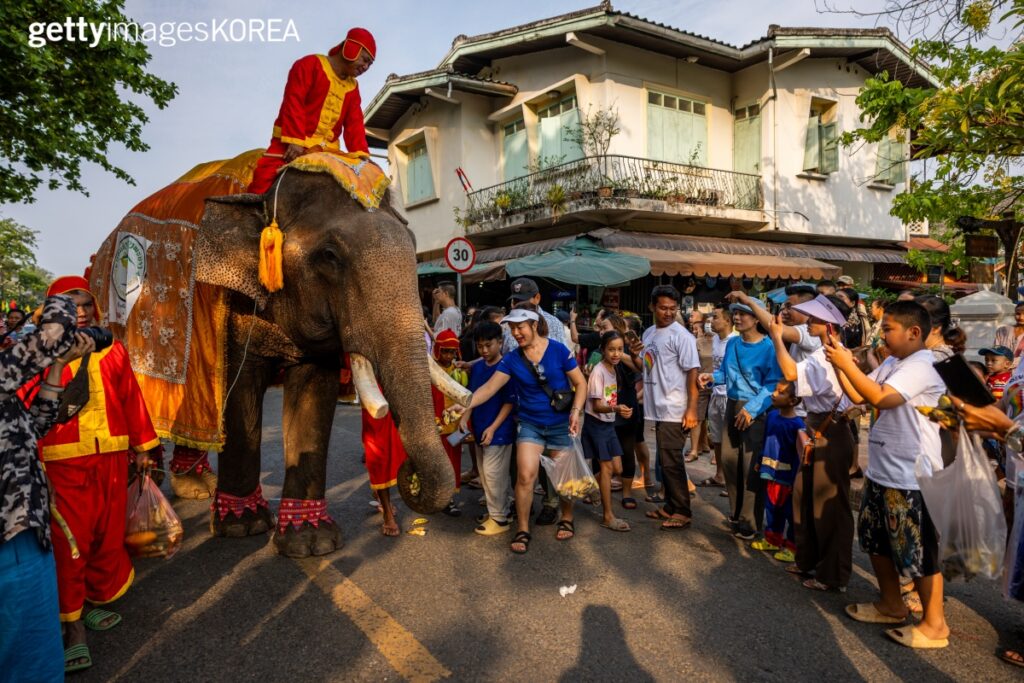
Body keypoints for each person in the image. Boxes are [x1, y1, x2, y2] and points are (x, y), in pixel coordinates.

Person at [27, 276, 162, 671]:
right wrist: (34, 464)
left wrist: (142, 448)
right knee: (71, 541)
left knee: (106, 534)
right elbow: (24, 412)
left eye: (87, 304)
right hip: (61, 462)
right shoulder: (37, 353)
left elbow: (131, 398)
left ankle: (92, 601)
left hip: (112, 457)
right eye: (72, 305)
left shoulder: (112, 349)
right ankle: (72, 627)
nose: (82, 312)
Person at [824, 300, 950, 650]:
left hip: (911, 475)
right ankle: (891, 604)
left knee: (919, 552)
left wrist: (847, 363)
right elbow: (857, 394)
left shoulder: (923, 364)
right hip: (884, 470)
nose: (882, 335)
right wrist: (840, 364)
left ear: (914, 332)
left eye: (889, 328)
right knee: (876, 541)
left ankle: (935, 624)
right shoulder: (896, 361)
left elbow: (880, 398)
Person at [1, 296, 91, 680]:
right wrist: (60, 302)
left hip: (25, 531)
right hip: (10, 539)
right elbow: (52, 334)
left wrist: (57, 368)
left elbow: (32, 428)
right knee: (28, 664)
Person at [454, 308, 587, 554]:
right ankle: (523, 529)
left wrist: (576, 412)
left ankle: (567, 517)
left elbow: (580, 383)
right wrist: (463, 403)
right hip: (530, 425)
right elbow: (489, 388)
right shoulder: (512, 359)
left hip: (560, 424)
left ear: (534, 325)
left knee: (564, 478)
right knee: (525, 476)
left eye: (520, 328)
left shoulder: (558, 350)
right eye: (512, 329)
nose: (516, 333)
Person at [768, 294, 857, 592]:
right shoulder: (824, 352)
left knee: (829, 504)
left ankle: (832, 574)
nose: (812, 322)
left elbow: (791, 373)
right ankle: (808, 559)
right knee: (805, 496)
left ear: (830, 324)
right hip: (818, 427)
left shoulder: (830, 354)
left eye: (817, 319)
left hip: (831, 429)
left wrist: (777, 338)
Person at [248, 27, 376, 194]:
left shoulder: (353, 87)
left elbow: (355, 124)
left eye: (369, 64)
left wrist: (361, 156)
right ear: (351, 48)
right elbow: (294, 100)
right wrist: (295, 140)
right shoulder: (309, 64)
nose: (366, 67)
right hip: (290, 144)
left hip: (327, 150)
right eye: (364, 60)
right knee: (262, 183)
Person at [701, 298, 782, 540]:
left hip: (755, 410)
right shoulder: (733, 343)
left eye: (743, 314)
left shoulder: (769, 348)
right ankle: (736, 514)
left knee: (750, 467)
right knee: (728, 461)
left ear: (757, 318)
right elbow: (725, 373)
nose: (737, 317)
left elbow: (772, 384)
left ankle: (750, 521)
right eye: (735, 313)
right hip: (732, 405)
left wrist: (753, 409)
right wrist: (710, 377)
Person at [630, 285, 700, 531]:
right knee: (665, 459)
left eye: (673, 308)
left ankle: (682, 510)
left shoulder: (682, 336)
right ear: (652, 307)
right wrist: (635, 354)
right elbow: (646, 367)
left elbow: (693, 372)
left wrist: (691, 409)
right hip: (656, 406)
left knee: (671, 462)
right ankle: (670, 506)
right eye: (663, 308)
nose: (668, 313)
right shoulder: (649, 333)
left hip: (675, 407)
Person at [467, 321, 517, 536]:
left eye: (489, 345)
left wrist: (494, 427)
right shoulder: (477, 367)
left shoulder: (506, 367)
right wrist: (464, 420)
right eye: (480, 347)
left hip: (499, 431)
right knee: (487, 475)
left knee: (493, 474)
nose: (485, 350)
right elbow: (471, 397)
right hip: (480, 428)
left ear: (500, 342)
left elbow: (509, 402)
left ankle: (499, 518)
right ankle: (498, 511)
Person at [582, 331, 632, 532]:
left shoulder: (614, 369)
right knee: (607, 469)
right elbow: (596, 406)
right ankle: (607, 516)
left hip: (608, 423)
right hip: (597, 423)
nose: (616, 353)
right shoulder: (599, 372)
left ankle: (588, 488)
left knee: (618, 469)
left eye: (620, 349)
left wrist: (618, 410)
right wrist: (617, 408)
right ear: (602, 349)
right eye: (611, 349)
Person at [751, 382, 804, 563]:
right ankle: (773, 540)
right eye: (775, 390)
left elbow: (798, 454)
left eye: (780, 392)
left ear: (793, 400)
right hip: (770, 472)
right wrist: (760, 461)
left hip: (787, 477)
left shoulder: (797, 425)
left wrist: (796, 478)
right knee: (772, 507)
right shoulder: (772, 416)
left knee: (789, 511)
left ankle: (792, 547)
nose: (774, 394)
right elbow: (765, 440)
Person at [697, 303, 736, 489]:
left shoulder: (735, 340)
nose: (711, 321)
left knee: (730, 441)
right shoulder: (715, 340)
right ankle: (719, 475)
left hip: (730, 396)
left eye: (716, 317)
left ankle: (732, 481)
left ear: (728, 320)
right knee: (718, 439)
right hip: (716, 393)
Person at [431, 329, 469, 516]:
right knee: (437, 462)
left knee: (453, 461)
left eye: (452, 352)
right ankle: (436, 495)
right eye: (445, 351)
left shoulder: (458, 371)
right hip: (436, 426)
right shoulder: (430, 370)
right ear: (438, 350)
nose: (448, 355)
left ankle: (449, 499)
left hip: (454, 426)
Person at [360, 408, 407, 537]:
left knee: (403, 444)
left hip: (401, 393)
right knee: (379, 451)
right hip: (375, 393)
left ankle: (380, 494)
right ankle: (387, 513)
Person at [502, 278, 568, 353]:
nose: (520, 306)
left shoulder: (554, 323)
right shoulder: (508, 324)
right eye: (516, 301)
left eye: (524, 301)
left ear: (537, 298)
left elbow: (564, 356)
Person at [994, 302, 1024, 368]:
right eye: (1018, 314)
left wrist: (1006, 364)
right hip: (1001, 372)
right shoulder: (1002, 331)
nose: (1021, 317)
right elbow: (996, 351)